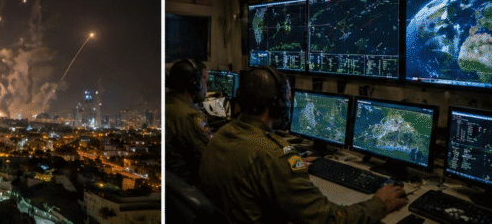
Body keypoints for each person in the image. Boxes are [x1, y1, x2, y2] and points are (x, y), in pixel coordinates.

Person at [199, 66, 407, 224]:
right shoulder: (278, 155)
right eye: (288, 100)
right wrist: (379, 203)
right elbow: (329, 218)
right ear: (278, 106)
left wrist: (286, 170)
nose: (288, 105)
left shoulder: (223, 134)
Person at [165, 58, 212, 183]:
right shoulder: (190, 117)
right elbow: (211, 156)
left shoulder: (167, 103)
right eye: (204, 81)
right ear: (194, 84)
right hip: (190, 186)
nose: (206, 87)